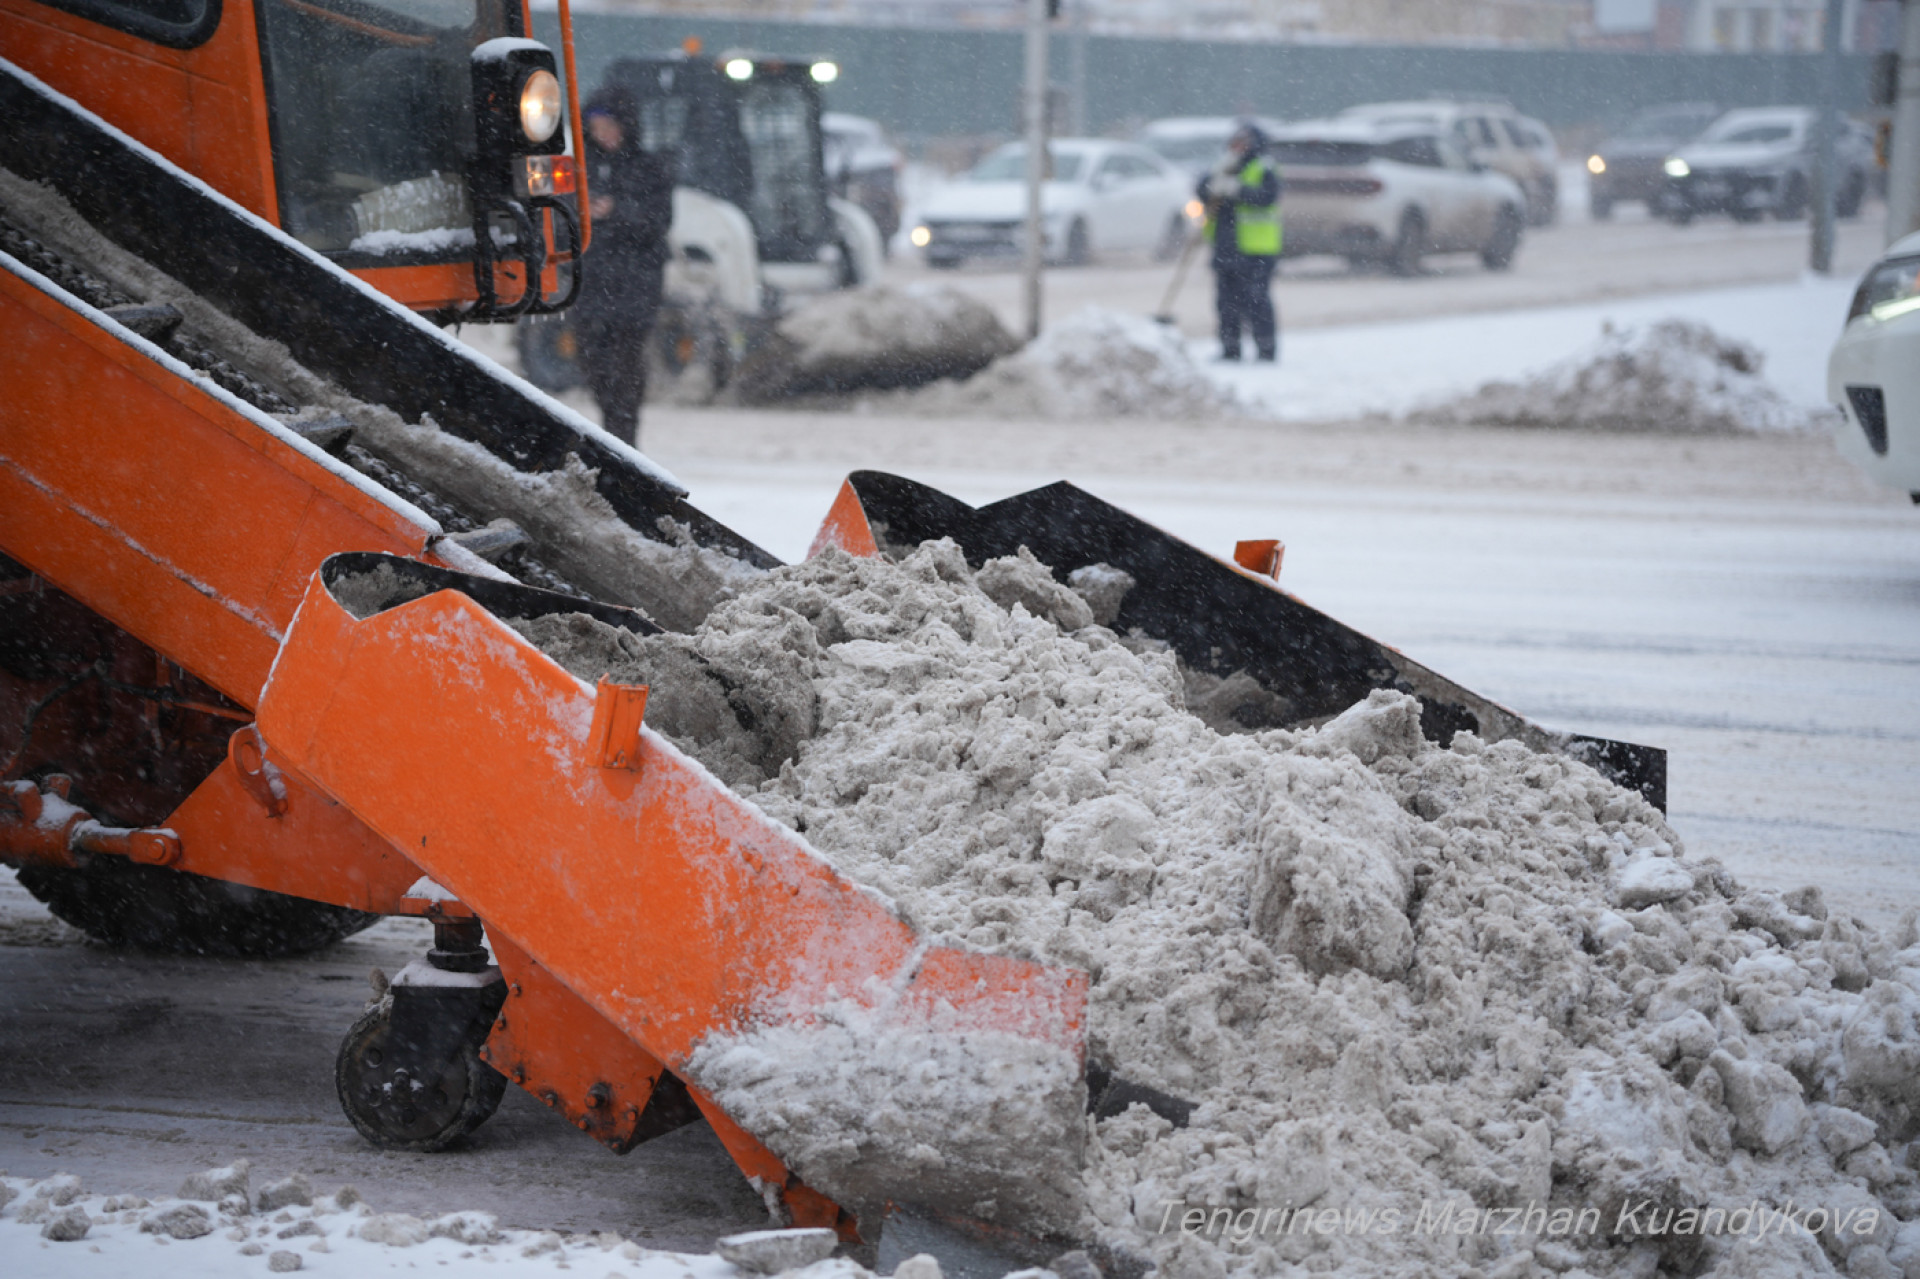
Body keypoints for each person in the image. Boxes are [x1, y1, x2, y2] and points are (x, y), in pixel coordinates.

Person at [571, 85, 674, 446]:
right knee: (594, 365)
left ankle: (624, 439)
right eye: (596, 125)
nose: (604, 133)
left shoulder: (649, 168)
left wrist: (617, 212)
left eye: (611, 125)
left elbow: (659, 220)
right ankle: (612, 427)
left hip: (634, 286)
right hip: (590, 285)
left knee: (626, 368)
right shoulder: (576, 168)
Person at [1196, 123, 1282, 363]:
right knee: (1226, 302)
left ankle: (1266, 350)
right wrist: (1212, 183)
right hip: (1226, 247)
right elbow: (1202, 190)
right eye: (1235, 141)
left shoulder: (1264, 167)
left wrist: (1238, 189)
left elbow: (1267, 197)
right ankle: (1230, 349)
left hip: (1257, 249)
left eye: (1243, 142)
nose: (1237, 146)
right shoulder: (1223, 166)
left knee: (1257, 300)